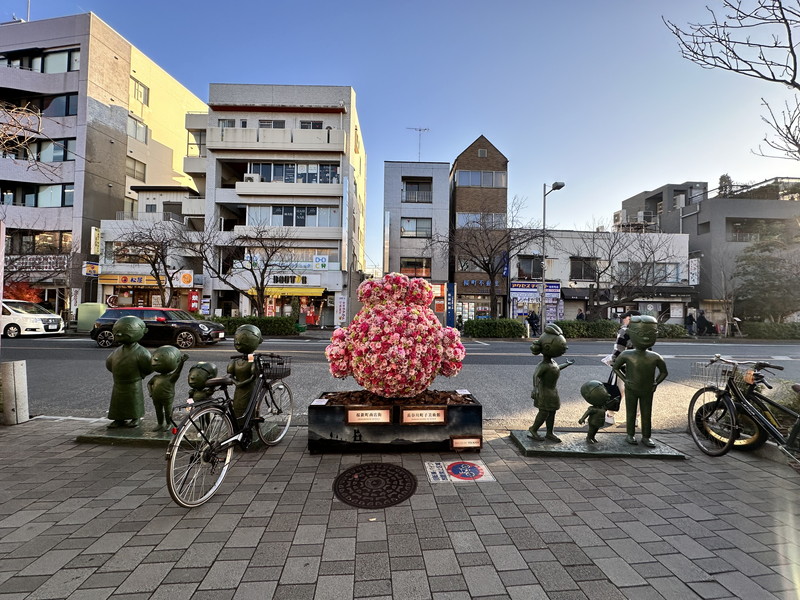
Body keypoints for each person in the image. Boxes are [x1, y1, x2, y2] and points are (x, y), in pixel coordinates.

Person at [612, 315, 668, 447]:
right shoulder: (627, 355)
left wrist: (655, 383)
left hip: (647, 388)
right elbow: (616, 368)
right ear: (631, 333)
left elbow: (664, 372)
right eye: (641, 333)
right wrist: (625, 379)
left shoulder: (655, 357)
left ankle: (646, 436)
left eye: (650, 333)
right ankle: (630, 434)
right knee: (631, 412)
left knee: (647, 413)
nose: (646, 337)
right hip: (632, 387)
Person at [527, 324, 575, 443]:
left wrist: (566, 364)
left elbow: (557, 368)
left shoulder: (552, 363)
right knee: (543, 412)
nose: (565, 348)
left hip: (553, 391)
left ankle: (549, 432)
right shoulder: (543, 365)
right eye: (562, 346)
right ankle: (533, 429)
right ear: (547, 347)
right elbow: (536, 375)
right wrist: (535, 389)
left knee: (552, 412)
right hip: (544, 391)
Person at [105, 316, 153, 428]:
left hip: (133, 381)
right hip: (118, 382)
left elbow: (149, 367)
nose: (119, 334)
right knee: (118, 402)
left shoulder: (141, 352)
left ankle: (136, 417)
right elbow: (109, 363)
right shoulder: (117, 351)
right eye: (117, 331)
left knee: (134, 400)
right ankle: (118, 418)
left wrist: (141, 375)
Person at [604, 310, 641, 425]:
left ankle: (610, 414)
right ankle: (634, 418)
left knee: (617, 391)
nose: (624, 320)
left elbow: (618, 350)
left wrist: (612, 360)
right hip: (639, 367)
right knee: (636, 393)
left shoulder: (624, 330)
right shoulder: (644, 331)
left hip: (624, 367)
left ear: (630, 318)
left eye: (625, 318)